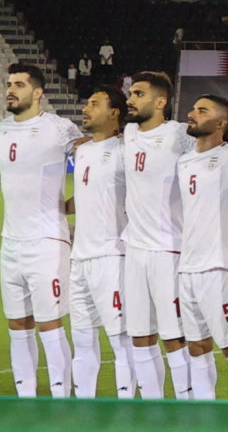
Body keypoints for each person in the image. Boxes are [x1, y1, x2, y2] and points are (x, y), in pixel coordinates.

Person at [0, 64, 82, 397]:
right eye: (8, 84)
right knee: (18, 325)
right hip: (10, 242)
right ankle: (26, 397)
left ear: (38, 92)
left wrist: (75, 205)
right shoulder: (0, 130)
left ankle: (61, 396)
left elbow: (95, 163)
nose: (11, 90)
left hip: (46, 241)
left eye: (19, 84)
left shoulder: (59, 128)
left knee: (49, 324)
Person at [122, 71, 193, 399]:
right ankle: (153, 408)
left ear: (161, 102)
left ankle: (186, 405)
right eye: (131, 93)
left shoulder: (180, 134)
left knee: (174, 336)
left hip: (169, 250)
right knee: (139, 335)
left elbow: (220, 141)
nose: (130, 99)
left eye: (138, 94)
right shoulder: (128, 132)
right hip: (134, 250)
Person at [69, 86, 133, 398]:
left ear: (114, 113)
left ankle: (127, 408)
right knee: (81, 339)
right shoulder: (81, 151)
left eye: (95, 104)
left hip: (112, 257)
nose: (86, 108)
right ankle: (84, 405)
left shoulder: (126, 151)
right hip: (79, 258)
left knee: (122, 340)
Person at [177, 95, 228, 400]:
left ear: (221, 123)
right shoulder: (184, 160)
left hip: (220, 267)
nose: (191, 113)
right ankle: (206, 411)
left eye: (202, 111)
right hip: (187, 267)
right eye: (194, 107)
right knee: (197, 345)